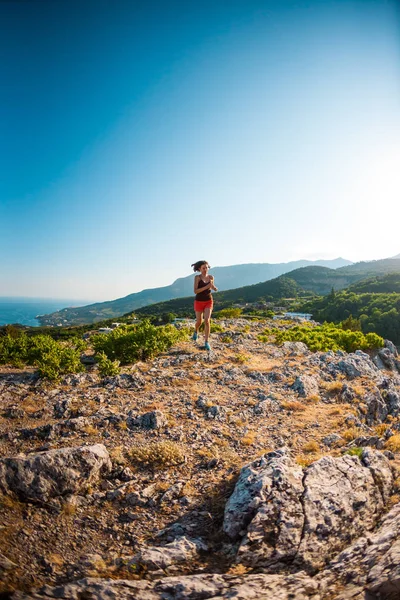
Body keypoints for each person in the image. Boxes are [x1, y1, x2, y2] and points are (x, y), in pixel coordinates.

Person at [191, 260, 218, 350]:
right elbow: (195, 291)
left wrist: (214, 288)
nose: (205, 269)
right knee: (199, 321)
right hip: (198, 301)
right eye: (203, 268)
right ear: (199, 269)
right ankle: (195, 332)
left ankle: (206, 342)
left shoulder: (211, 277)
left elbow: (212, 287)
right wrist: (206, 287)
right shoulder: (197, 278)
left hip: (208, 301)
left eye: (206, 268)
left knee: (207, 320)